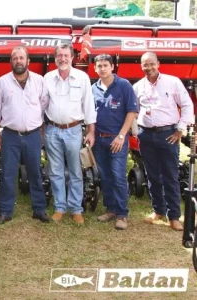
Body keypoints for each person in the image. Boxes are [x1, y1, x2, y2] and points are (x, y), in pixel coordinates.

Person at [133, 51, 194, 231]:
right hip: (146, 135)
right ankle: (158, 211)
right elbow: (133, 110)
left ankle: (174, 216)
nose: (149, 67)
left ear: (158, 63)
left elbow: (187, 105)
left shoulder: (172, 82)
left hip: (168, 134)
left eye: (152, 64)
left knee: (170, 175)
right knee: (152, 175)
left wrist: (180, 129)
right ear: (141, 66)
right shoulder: (137, 87)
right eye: (145, 64)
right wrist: (136, 131)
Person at [0, 46, 50, 225]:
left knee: (35, 172)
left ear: (28, 61)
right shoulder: (2, 82)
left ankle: (39, 209)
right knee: (7, 173)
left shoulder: (39, 81)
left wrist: (39, 128)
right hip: (10, 135)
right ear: (11, 62)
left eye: (21, 58)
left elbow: (43, 105)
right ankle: (5, 211)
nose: (18, 61)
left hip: (32, 136)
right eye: (15, 58)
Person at [43, 43, 96, 225]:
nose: (63, 59)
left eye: (66, 55)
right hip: (52, 130)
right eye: (59, 56)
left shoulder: (82, 78)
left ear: (72, 57)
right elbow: (42, 105)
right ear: (55, 58)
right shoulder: (48, 78)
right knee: (55, 171)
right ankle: (59, 208)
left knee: (76, 170)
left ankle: (76, 209)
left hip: (73, 130)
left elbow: (89, 105)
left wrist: (91, 131)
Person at [91, 54, 138, 230]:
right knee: (105, 176)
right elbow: (90, 115)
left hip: (117, 139)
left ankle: (121, 214)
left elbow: (132, 112)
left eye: (105, 65)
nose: (102, 69)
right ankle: (110, 209)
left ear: (112, 67)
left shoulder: (124, 86)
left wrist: (121, 136)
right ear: (95, 68)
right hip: (99, 140)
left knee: (118, 176)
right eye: (99, 66)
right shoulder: (93, 88)